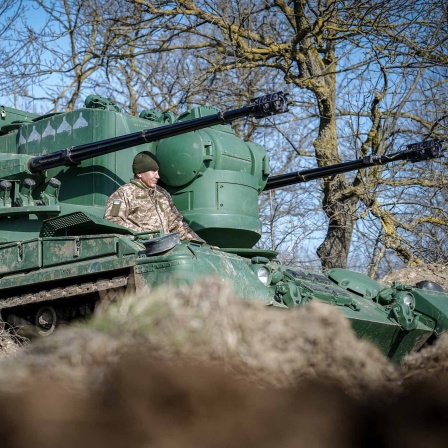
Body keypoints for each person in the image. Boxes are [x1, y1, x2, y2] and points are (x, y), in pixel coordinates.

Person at [104, 151, 206, 243]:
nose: (158, 176)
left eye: (157, 171)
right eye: (153, 171)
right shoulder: (123, 194)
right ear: (139, 173)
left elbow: (177, 225)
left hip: (166, 249)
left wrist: (203, 244)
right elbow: (112, 221)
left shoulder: (162, 194)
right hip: (142, 251)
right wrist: (144, 235)